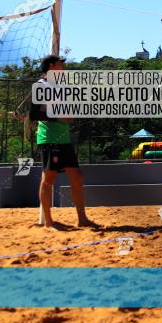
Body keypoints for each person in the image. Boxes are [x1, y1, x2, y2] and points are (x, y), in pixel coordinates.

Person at [31, 55, 96, 230]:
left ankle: (82, 219)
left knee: (77, 176)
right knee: (49, 178)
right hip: (49, 138)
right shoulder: (40, 86)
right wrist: (59, 115)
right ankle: (49, 223)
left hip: (63, 138)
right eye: (61, 63)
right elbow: (34, 115)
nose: (63, 66)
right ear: (52, 66)